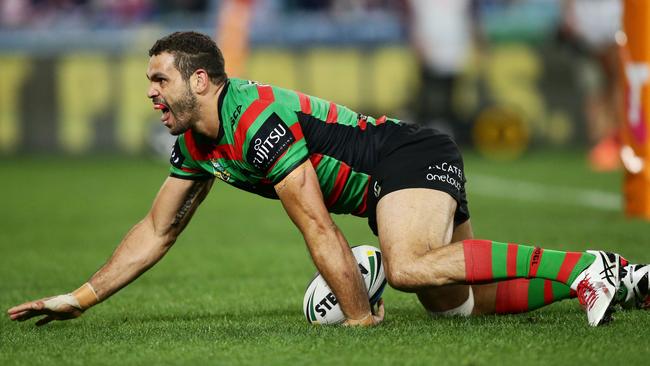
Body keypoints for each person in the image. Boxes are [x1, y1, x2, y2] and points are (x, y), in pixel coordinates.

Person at [7, 31, 648, 328]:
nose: (150, 93)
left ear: (199, 80)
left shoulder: (253, 119)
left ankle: (575, 271)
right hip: (388, 184)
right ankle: (606, 272)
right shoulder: (197, 143)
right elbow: (155, 230)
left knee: (409, 267)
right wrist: (80, 297)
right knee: (457, 304)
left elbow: (315, 220)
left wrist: (360, 317)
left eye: (159, 80)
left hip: (404, 157)